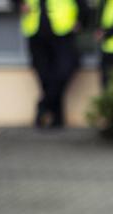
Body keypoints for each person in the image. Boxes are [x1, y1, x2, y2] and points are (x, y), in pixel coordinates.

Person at [17, 0, 89, 129]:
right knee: (44, 75)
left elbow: (83, 4)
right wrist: (18, 4)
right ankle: (57, 117)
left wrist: (81, 20)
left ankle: (43, 106)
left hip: (63, 32)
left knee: (64, 70)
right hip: (36, 32)